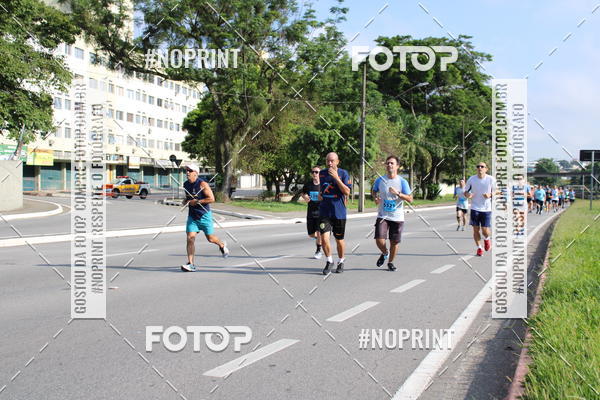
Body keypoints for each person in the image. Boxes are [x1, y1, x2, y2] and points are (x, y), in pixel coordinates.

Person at [181, 164, 229, 271]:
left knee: (210, 239)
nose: (187, 172)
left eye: (190, 170)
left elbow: (211, 199)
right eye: (186, 170)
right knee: (190, 238)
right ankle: (191, 264)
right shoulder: (186, 184)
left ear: (195, 173)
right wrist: (185, 201)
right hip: (192, 217)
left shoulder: (202, 184)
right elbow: (188, 197)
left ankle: (221, 245)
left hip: (204, 215)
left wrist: (197, 202)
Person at [372, 155, 413, 271]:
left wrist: (398, 193)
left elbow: (410, 199)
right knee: (379, 239)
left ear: (397, 166)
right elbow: (374, 191)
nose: (389, 165)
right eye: (388, 163)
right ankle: (385, 252)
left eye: (392, 163)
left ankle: (390, 262)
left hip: (397, 216)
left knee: (394, 242)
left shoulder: (402, 182)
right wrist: (375, 198)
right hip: (383, 215)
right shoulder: (380, 180)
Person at [318, 152, 351, 274]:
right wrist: (320, 195)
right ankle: (329, 261)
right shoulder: (322, 173)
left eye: (332, 161)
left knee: (339, 240)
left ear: (337, 161)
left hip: (339, 213)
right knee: (324, 238)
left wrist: (336, 178)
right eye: (328, 160)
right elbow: (322, 190)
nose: (330, 163)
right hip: (324, 212)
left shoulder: (344, 173)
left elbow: (347, 191)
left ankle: (341, 261)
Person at [464, 162, 496, 257]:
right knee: (475, 230)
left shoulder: (490, 179)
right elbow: (466, 192)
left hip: (486, 208)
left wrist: (490, 194)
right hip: (475, 207)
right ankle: (479, 248)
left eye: (482, 166)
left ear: (486, 169)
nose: (480, 168)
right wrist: (468, 195)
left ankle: (487, 239)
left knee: (485, 230)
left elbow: (497, 191)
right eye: (478, 166)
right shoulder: (472, 179)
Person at [301, 166, 323, 259]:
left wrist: (322, 198)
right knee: (311, 234)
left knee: (319, 232)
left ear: (320, 174)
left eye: (316, 172)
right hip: (310, 212)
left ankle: (318, 250)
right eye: (313, 172)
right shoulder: (308, 184)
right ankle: (320, 239)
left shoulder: (323, 185)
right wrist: (305, 196)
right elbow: (303, 193)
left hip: (321, 212)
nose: (314, 174)